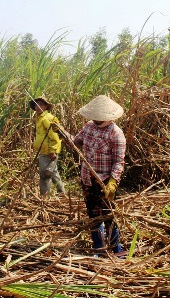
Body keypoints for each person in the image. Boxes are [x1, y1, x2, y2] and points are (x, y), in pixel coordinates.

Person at [73, 95, 126, 254]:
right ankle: (99, 249)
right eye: (94, 118)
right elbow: (76, 142)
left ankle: (116, 249)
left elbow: (118, 162)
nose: (96, 121)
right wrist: (62, 133)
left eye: (99, 118)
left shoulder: (116, 134)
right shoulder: (88, 127)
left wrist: (113, 182)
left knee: (110, 216)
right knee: (93, 215)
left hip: (104, 182)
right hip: (87, 179)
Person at [29, 96, 65, 196]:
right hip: (44, 151)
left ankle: (44, 196)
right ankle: (61, 192)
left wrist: (52, 151)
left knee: (45, 175)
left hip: (48, 152)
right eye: (36, 105)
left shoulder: (46, 118)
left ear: (45, 107)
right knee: (53, 173)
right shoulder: (39, 118)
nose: (37, 107)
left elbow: (54, 136)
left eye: (41, 104)